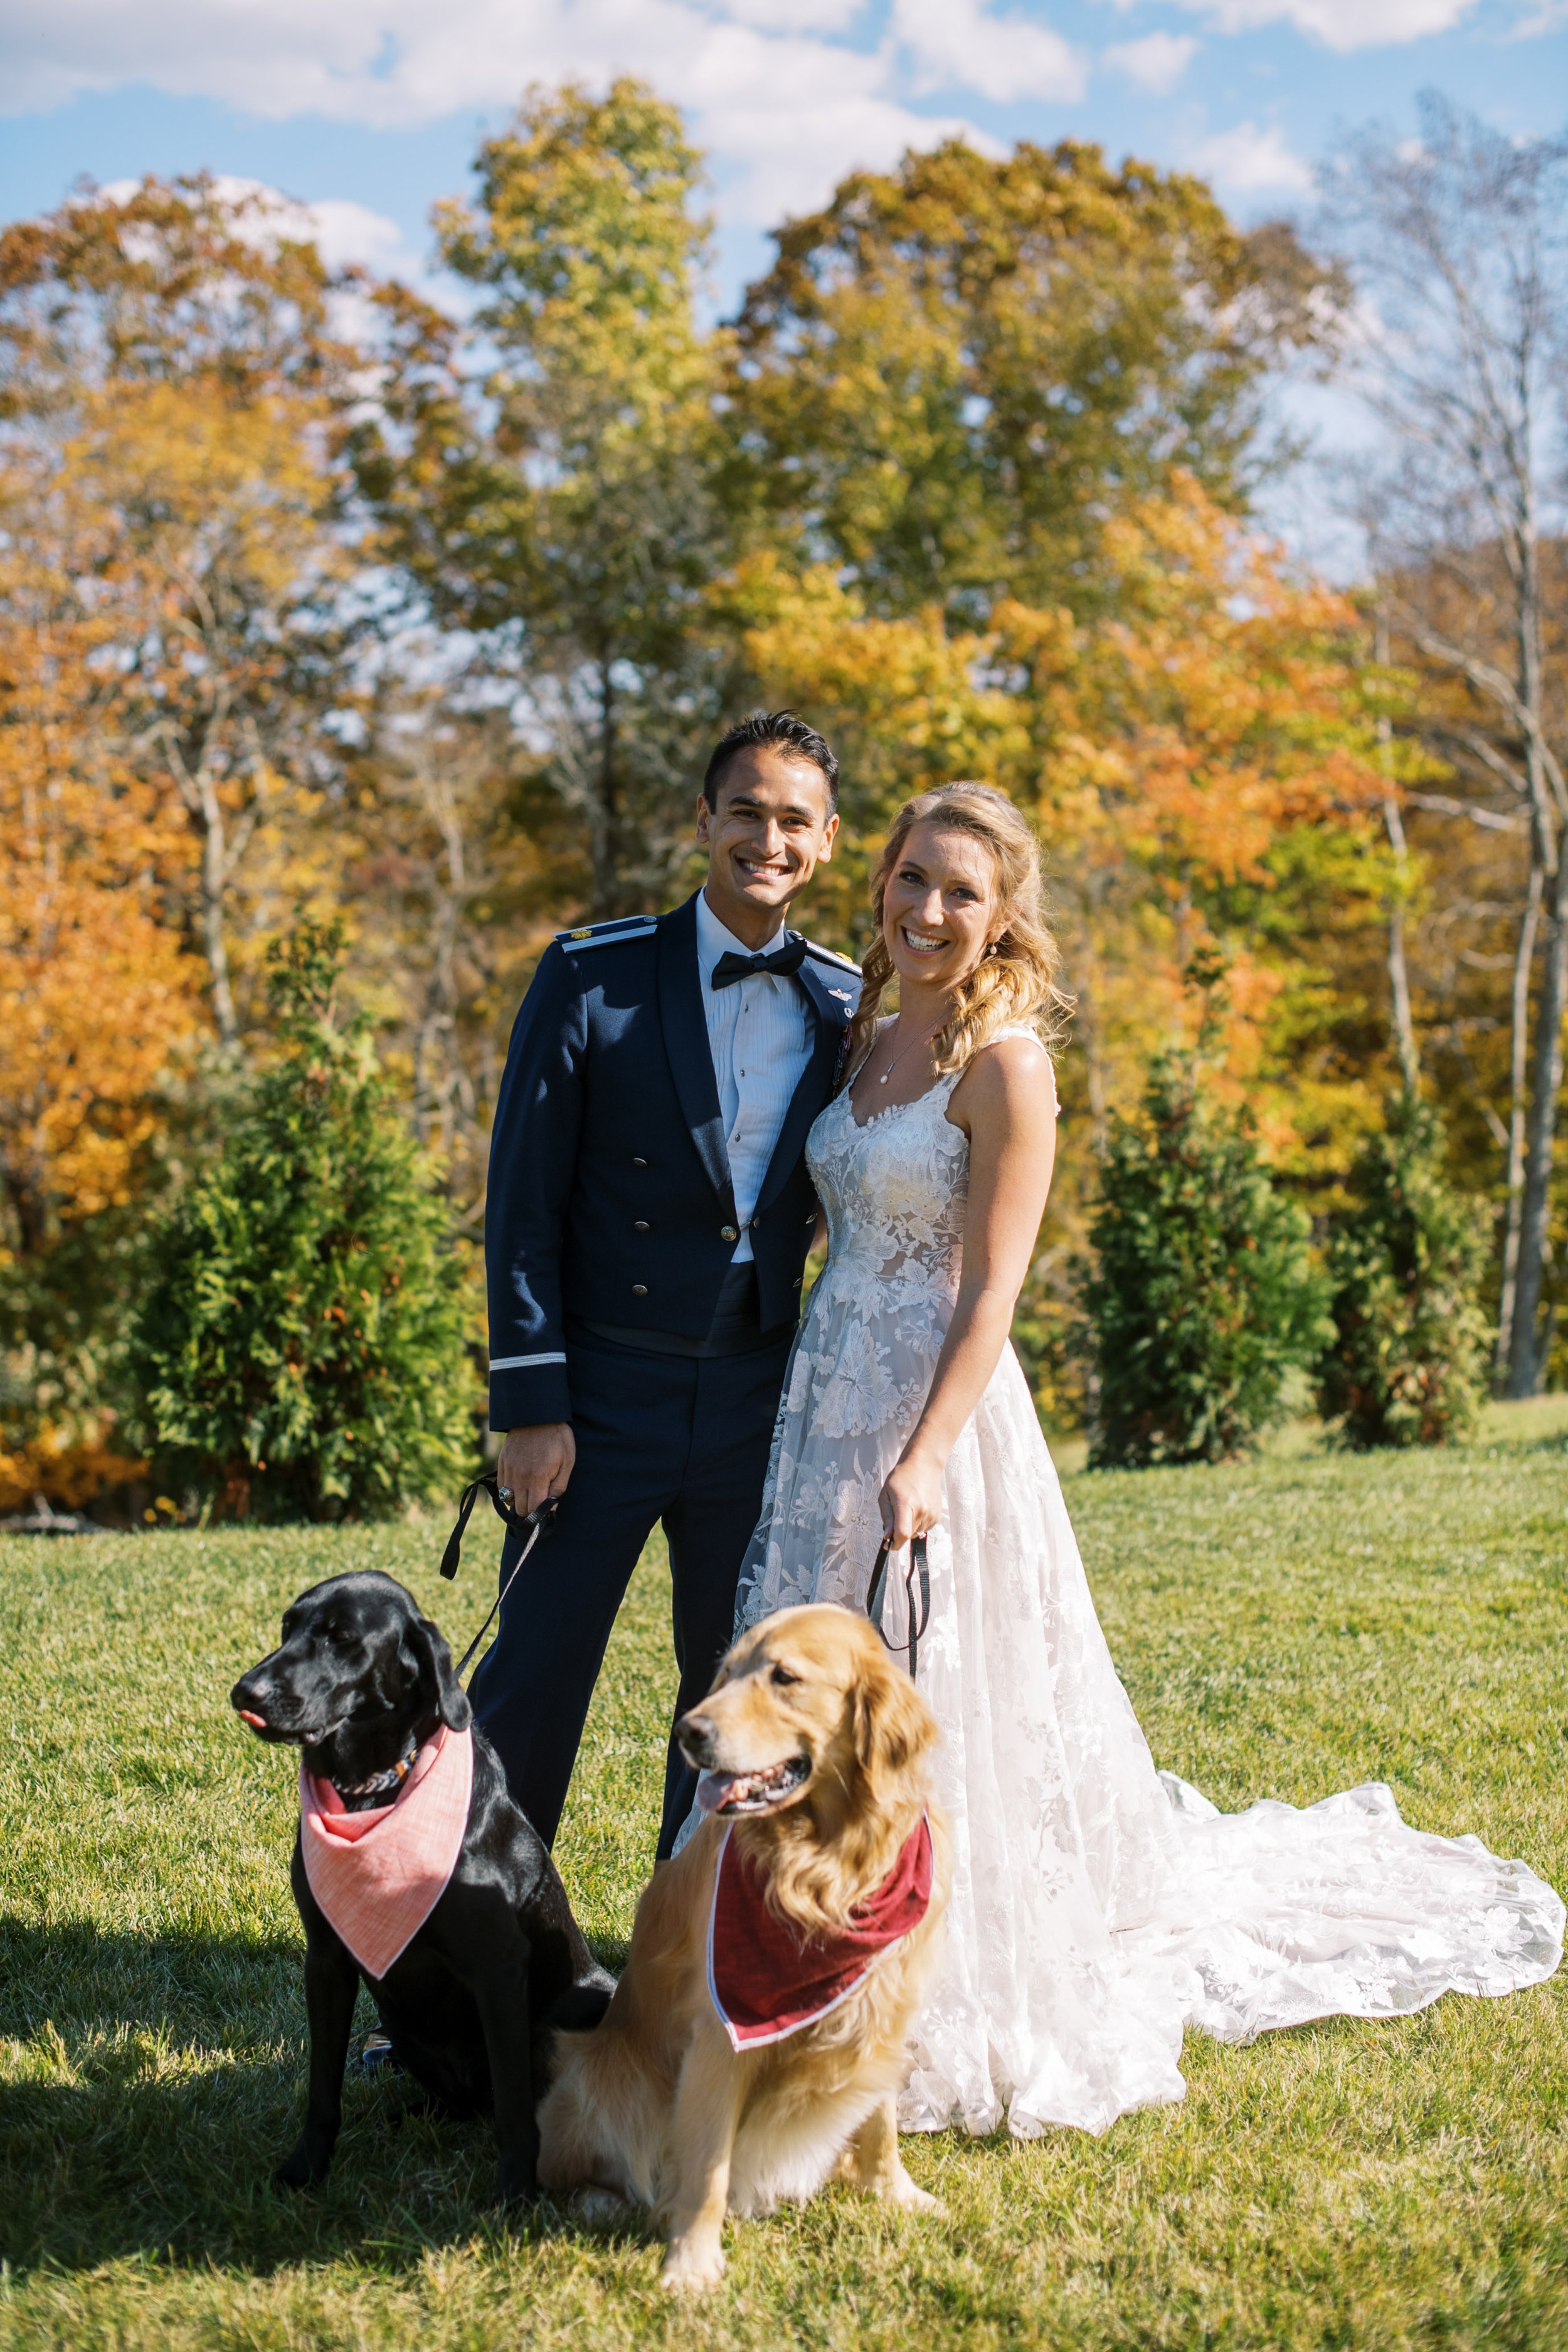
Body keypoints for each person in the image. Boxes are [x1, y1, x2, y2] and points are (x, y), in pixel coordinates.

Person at [712, 780, 1564, 2137]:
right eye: (911, 880)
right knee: (822, 1676)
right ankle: (802, 1938)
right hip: (829, 1394)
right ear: (877, 885)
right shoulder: (864, 1037)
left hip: (943, 1409)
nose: (929, 909)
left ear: (1002, 921)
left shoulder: (1005, 1064)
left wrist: (924, 1455)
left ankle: (937, 1960)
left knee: (939, 1678)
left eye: (961, 892)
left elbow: (991, 1293)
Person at [474, 711, 860, 1863]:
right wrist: (531, 1401)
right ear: (705, 819)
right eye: (745, 810)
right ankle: (462, 1973)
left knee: (734, 1696)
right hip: (596, 1392)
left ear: (829, 840)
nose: (768, 838)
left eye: (795, 820)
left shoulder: (849, 1002)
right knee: (530, 1682)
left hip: (754, 1401)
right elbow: (522, 1201)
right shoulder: (591, 975)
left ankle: (686, 1962)